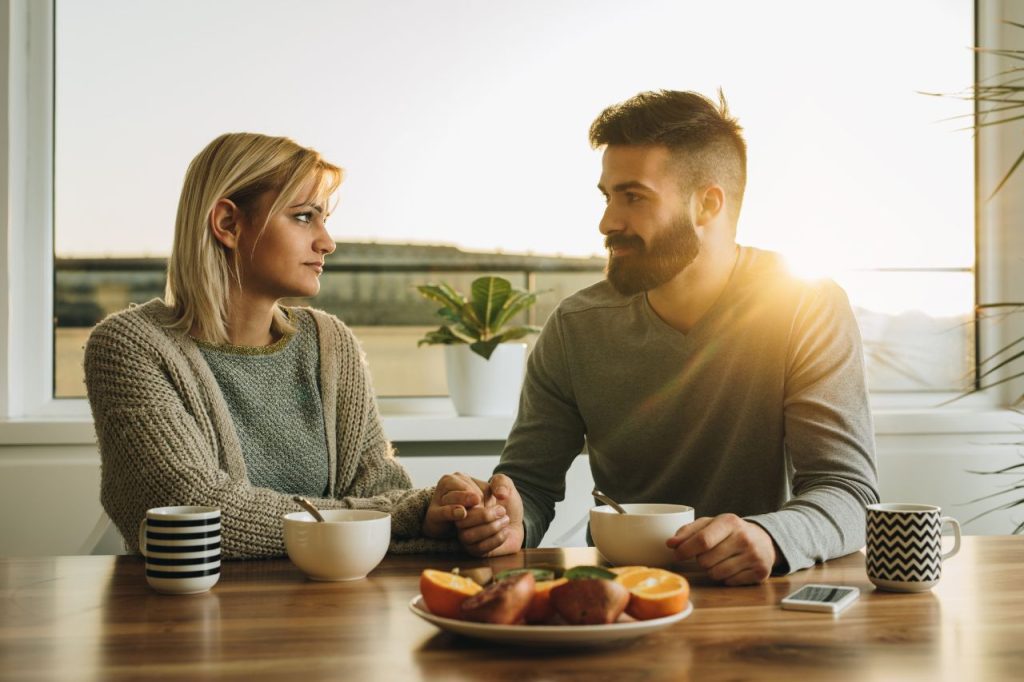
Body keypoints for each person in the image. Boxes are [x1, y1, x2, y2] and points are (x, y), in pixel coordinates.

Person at [470, 90, 879, 584]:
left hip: (756, 595)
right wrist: (508, 522)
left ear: (707, 204)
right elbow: (529, 488)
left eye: (633, 197)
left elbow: (848, 490)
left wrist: (771, 538)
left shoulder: (804, 304)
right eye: (607, 197)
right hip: (617, 597)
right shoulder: (576, 326)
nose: (606, 222)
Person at [84, 132, 513, 559]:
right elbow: (195, 513)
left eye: (324, 219)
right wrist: (410, 515)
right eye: (305, 217)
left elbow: (383, 492)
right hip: (191, 615)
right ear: (228, 224)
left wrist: (455, 517)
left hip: (334, 608)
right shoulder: (130, 346)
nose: (327, 242)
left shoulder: (330, 344)